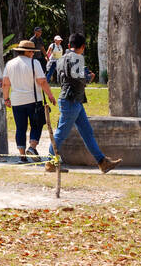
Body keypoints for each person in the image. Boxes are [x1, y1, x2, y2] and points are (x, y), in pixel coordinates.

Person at [50, 33, 123, 173]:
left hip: (71, 100)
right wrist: (89, 77)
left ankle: (102, 162)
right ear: (83, 46)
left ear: (69, 45)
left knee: (87, 132)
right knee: (61, 134)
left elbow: (62, 78)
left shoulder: (61, 58)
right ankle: (50, 162)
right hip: (72, 101)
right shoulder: (77, 57)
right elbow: (79, 78)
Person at [2, 38, 56, 164]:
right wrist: (50, 95)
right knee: (37, 124)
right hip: (33, 100)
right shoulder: (34, 63)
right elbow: (42, 81)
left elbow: (5, 84)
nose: (32, 54)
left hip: (16, 101)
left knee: (20, 127)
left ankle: (22, 156)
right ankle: (32, 147)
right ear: (26, 52)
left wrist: (6, 98)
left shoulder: (10, 64)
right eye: (31, 52)